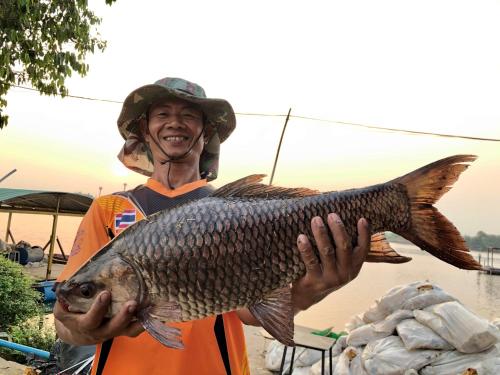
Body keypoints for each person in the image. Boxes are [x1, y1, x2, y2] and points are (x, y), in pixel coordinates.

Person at [53, 77, 370, 375]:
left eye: (189, 115)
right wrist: (77, 329)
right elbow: (66, 317)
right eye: (162, 113)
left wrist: (304, 294)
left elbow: (249, 311)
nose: (175, 122)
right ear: (144, 130)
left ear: (206, 134)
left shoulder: (238, 214)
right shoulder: (107, 210)